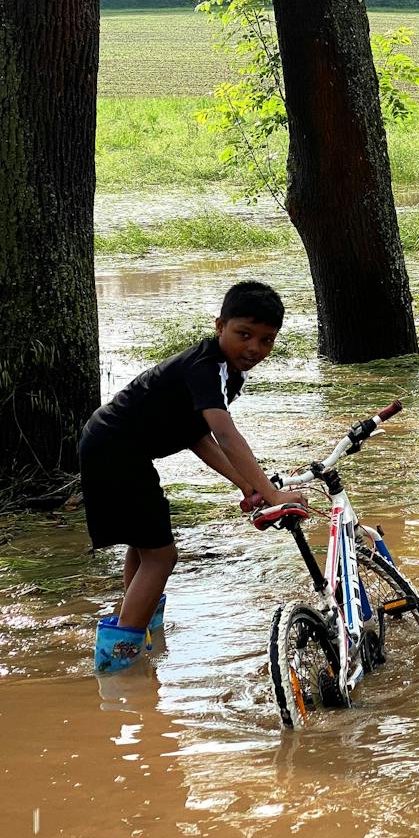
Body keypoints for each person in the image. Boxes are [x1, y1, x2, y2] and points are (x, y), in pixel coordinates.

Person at [80, 280, 307, 673]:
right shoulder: (204, 368)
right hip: (115, 449)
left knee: (145, 547)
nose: (254, 348)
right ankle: (118, 666)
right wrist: (272, 495)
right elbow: (224, 433)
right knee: (162, 555)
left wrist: (247, 485)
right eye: (244, 334)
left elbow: (197, 437)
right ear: (219, 325)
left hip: (115, 448)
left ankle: (135, 630)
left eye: (267, 340)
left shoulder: (226, 373)